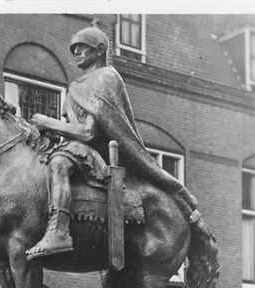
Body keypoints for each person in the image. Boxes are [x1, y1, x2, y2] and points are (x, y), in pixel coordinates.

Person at [26, 25, 199, 260]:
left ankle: (59, 232)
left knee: (58, 163)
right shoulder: (75, 87)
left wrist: (48, 122)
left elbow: (88, 133)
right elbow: (70, 127)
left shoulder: (106, 77)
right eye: (74, 49)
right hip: (75, 148)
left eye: (81, 48)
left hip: (97, 153)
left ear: (99, 50)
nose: (76, 53)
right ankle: (10, 240)